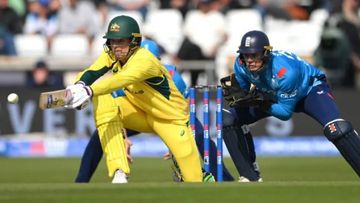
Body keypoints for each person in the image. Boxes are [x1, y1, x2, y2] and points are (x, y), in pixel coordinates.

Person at [64, 15, 203, 183]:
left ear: (134, 41)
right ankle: (119, 172)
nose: (115, 46)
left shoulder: (145, 60)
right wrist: (79, 85)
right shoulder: (113, 54)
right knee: (104, 101)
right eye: (112, 41)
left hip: (170, 120)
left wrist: (88, 91)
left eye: (121, 41)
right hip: (139, 112)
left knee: (194, 179)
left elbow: (119, 80)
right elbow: (93, 71)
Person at [74, 39, 234, 183]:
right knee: (101, 132)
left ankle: (223, 179)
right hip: (140, 114)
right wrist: (121, 135)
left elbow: (182, 110)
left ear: (158, 61)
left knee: (200, 135)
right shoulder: (126, 72)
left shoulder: (172, 77)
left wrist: (172, 142)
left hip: (168, 117)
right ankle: (81, 182)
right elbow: (114, 105)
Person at [220, 30, 360, 182]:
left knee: (336, 130)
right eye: (245, 55)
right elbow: (242, 93)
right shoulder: (240, 65)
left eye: (254, 55)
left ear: (266, 53)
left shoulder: (286, 72)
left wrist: (259, 101)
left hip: (310, 90)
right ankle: (250, 177)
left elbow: (285, 112)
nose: (249, 60)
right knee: (227, 118)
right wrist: (237, 97)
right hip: (273, 93)